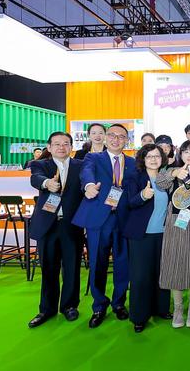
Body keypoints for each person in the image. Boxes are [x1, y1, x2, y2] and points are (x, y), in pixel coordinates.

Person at [72, 124, 136, 329]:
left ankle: (119, 303)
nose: (116, 139)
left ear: (127, 140)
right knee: (97, 264)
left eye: (121, 136)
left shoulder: (133, 162)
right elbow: (86, 173)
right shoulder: (93, 158)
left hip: (124, 219)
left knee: (123, 263)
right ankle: (99, 306)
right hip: (99, 219)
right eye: (112, 135)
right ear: (106, 138)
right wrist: (89, 186)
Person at [27, 132, 85, 328]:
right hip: (48, 225)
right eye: (57, 144)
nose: (61, 147)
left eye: (66, 143)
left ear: (71, 147)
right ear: (49, 147)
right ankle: (46, 309)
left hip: (72, 225)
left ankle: (69, 306)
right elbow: (35, 178)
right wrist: (47, 183)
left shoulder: (80, 165)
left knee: (72, 268)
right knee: (48, 268)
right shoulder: (40, 164)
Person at [124, 144, 172, 333]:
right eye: (149, 156)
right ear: (143, 159)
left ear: (163, 159)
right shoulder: (134, 177)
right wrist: (143, 195)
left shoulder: (165, 178)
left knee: (161, 273)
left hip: (164, 234)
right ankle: (139, 316)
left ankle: (161, 309)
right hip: (141, 235)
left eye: (157, 156)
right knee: (140, 277)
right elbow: (130, 202)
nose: (153, 159)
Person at [157, 140, 190, 329]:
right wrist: (174, 173)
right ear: (180, 154)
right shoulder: (172, 171)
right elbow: (160, 183)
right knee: (175, 264)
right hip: (177, 223)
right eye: (186, 151)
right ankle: (177, 308)